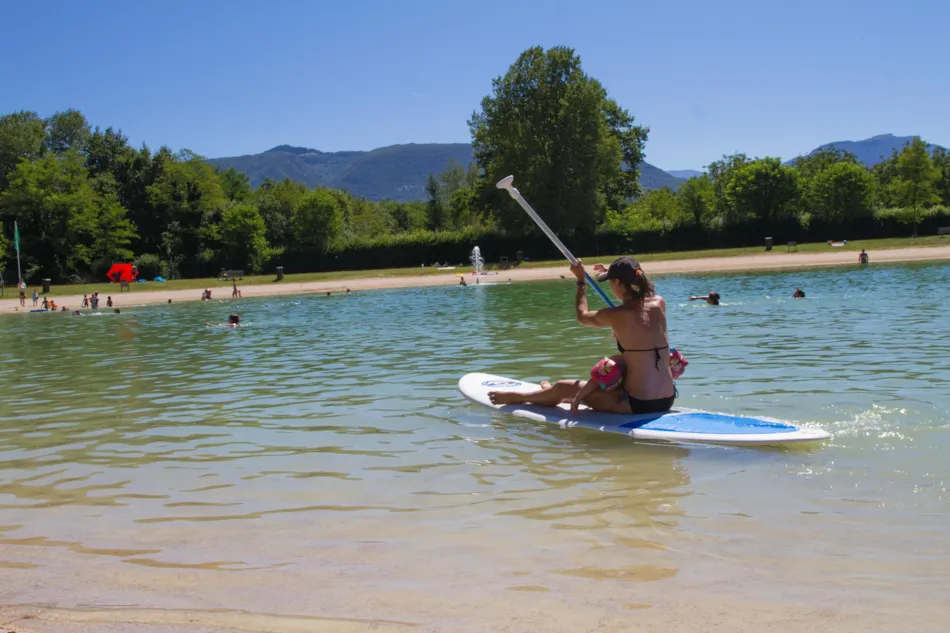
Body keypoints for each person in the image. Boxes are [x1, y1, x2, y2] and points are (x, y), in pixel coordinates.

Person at [487, 256, 676, 414]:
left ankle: (519, 397)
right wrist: (609, 272)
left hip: (638, 405)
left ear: (618, 283)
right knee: (616, 367)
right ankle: (555, 394)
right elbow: (637, 306)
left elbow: (582, 316)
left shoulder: (616, 315)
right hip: (667, 400)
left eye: (611, 281)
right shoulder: (660, 303)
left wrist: (581, 281)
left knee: (563, 386)